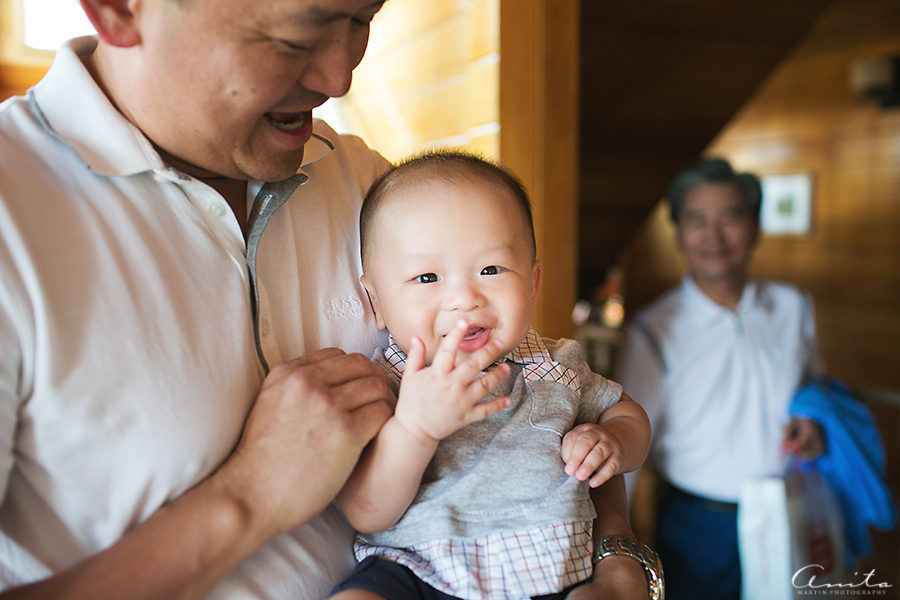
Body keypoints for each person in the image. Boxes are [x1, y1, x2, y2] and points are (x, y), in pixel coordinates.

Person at [0, 1, 651, 598]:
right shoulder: (13, 213)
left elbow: (556, 410)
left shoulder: (362, 178)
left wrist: (618, 562)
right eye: (296, 36)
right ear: (119, 10)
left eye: (361, 21)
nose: (341, 78)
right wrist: (249, 497)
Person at [329, 151, 657, 600]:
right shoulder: (385, 384)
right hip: (417, 570)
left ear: (533, 284)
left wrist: (616, 439)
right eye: (427, 277)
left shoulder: (556, 364)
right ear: (377, 302)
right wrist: (415, 429)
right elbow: (367, 511)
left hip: (552, 567)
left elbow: (629, 413)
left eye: (490, 270)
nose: (464, 298)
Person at [615, 157, 825, 600]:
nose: (713, 234)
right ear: (679, 236)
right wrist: (617, 551)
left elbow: (813, 388)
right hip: (699, 523)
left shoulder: (793, 307)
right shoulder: (653, 330)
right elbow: (628, 439)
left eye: (730, 217)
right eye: (696, 220)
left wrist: (811, 421)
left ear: (756, 228)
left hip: (789, 503)